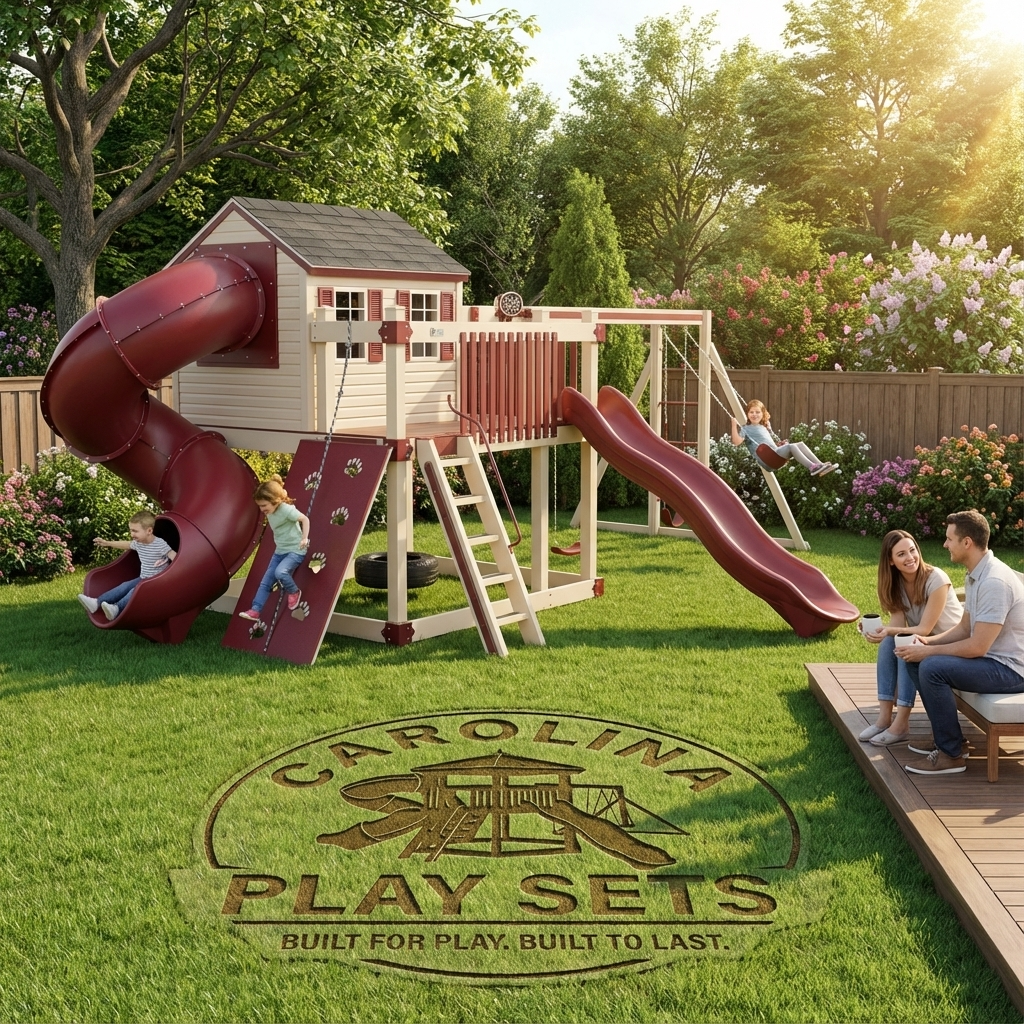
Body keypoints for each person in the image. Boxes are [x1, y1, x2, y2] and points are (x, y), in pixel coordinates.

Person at [896, 510, 1024, 776]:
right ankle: (950, 740)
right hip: (993, 660)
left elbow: (977, 647)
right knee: (916, 660)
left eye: (949, 539)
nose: (945, 544)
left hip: (1012, 669)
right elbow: (965, 627)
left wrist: (928, 652)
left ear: (967, 542)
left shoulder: (994, 581)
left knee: (932, 667)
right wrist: (925, 642)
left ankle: (951, 755)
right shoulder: (976, 573)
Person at [859, 530, 963, 746]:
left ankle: (901, 724)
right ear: (890, 561)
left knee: (906, 643)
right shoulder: (895, 583)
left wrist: (889, 631)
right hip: (925, 640)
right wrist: (879, 632)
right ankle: (884, 719)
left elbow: (924, 629)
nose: (910, 558)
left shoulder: (936, 579)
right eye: (901, 554)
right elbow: (897, 625)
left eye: (912, 550)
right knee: (892, 642)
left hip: (950, 643)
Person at [77, 510, 176, 620]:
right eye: (131, 530)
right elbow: (126, 544)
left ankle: (116, 608)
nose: (132, 534)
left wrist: (171, 563)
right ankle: (97, 603)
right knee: (124, 586)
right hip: (143, 578)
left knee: (134, 591)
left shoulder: (159, 544)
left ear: (149, 531)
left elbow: (174, 556)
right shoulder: (139, 543)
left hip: (155, 583)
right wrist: (107, 543)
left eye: (135, 531)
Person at [238, 475, 309, 621]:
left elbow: (304, 519)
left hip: (295, 551)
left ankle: (294, 592)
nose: (262, 509)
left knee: (280, 572)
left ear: (275, 501)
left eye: (264, 505)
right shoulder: (270, 510)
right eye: (259, 506)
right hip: (280, 552)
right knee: (266, 582)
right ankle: (255, 610)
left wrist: (304, 538)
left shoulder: (286, 510)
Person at [730, 399, 835, 475]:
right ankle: (812, 467)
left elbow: (770, 442)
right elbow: (736, 442)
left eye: (757, 412)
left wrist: (772, 433)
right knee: (791, 447)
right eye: (751, 412)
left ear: (763, 413)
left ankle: (820, 465)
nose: (754, 414)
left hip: (774, 454)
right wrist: (734, 426)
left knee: (800, 444)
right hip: (768, 460)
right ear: (747, 414)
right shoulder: (746, 428)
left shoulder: (762, 426)